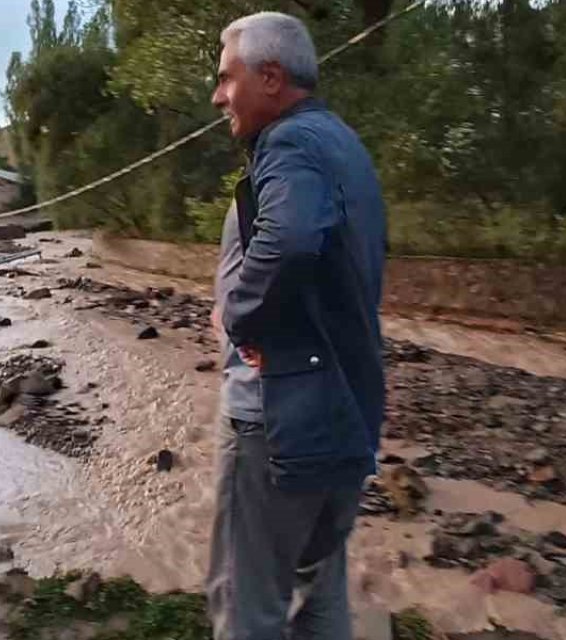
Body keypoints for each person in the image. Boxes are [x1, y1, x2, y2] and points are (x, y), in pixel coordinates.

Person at [206, 12, 387, 640]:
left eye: (227, 78)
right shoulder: (343, 143)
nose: (218, 95)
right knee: (321, 594)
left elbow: (289, 241)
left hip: (276, 420)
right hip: (345, 410)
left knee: (245, 607)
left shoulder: (288, 144)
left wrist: (237, 316)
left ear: (271, 77)